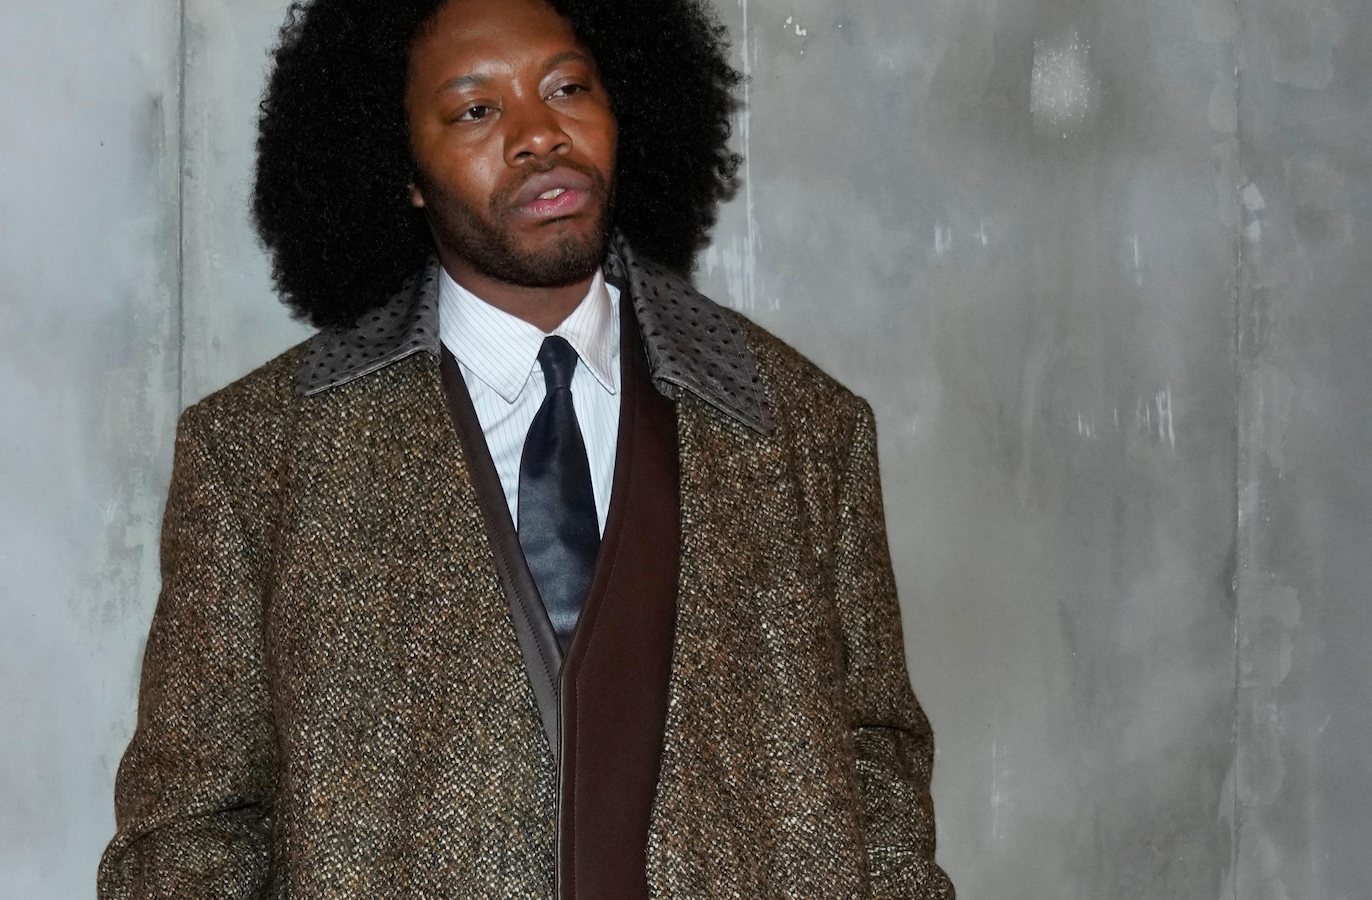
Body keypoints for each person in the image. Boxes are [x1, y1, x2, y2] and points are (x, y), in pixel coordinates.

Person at [98, 0, 954, 896]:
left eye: (568, 88)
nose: (539, 134)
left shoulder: (803, 428)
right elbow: (190, 830)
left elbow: (878, 777)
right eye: (476, 109)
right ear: (402, 169)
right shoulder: (260, 455)